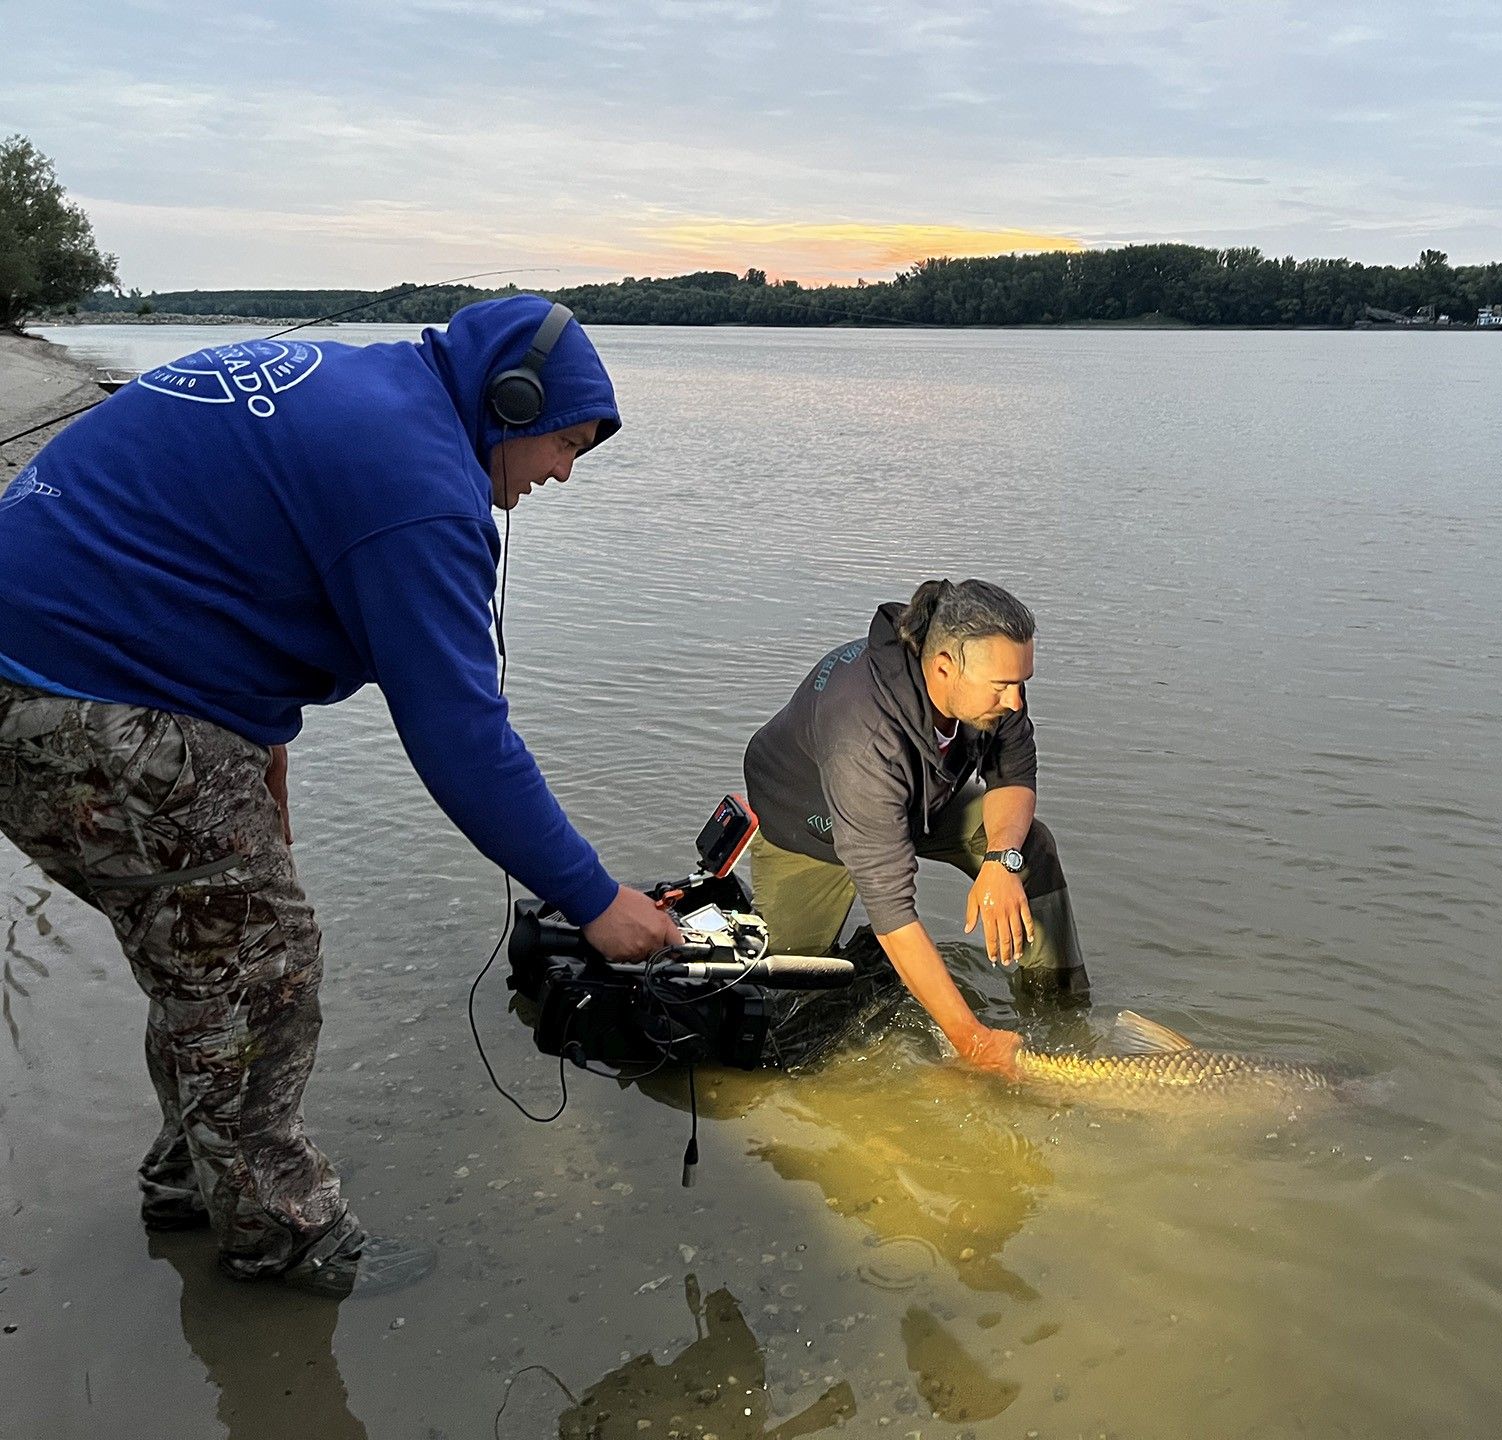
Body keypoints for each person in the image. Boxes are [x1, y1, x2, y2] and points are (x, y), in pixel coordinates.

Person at [0, 296, 678, 1296]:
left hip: (61, 667)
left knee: (205, 946)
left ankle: (194, 1177)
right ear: (511, 400)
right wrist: (593, 899)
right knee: (259, 967)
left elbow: (227, 572)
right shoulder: (420, 487)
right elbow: (462, 741)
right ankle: (280, 1237)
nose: (563, 475)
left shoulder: (371, 394)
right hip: (81, 693)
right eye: (563, 445)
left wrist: (260, 753)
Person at [743, 579, 1088, 1075]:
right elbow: (892, 909)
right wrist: (972, 1041)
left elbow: (1014, 773)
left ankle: (1059, 1016)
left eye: (1023, 682)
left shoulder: (995, 682)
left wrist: (1000, 861)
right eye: (1002, 687)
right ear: (944, 667)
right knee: (794, 989)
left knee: (1031, 847)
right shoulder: (863, 735)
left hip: (923, 798)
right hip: (811, 825)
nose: (1015, 701)